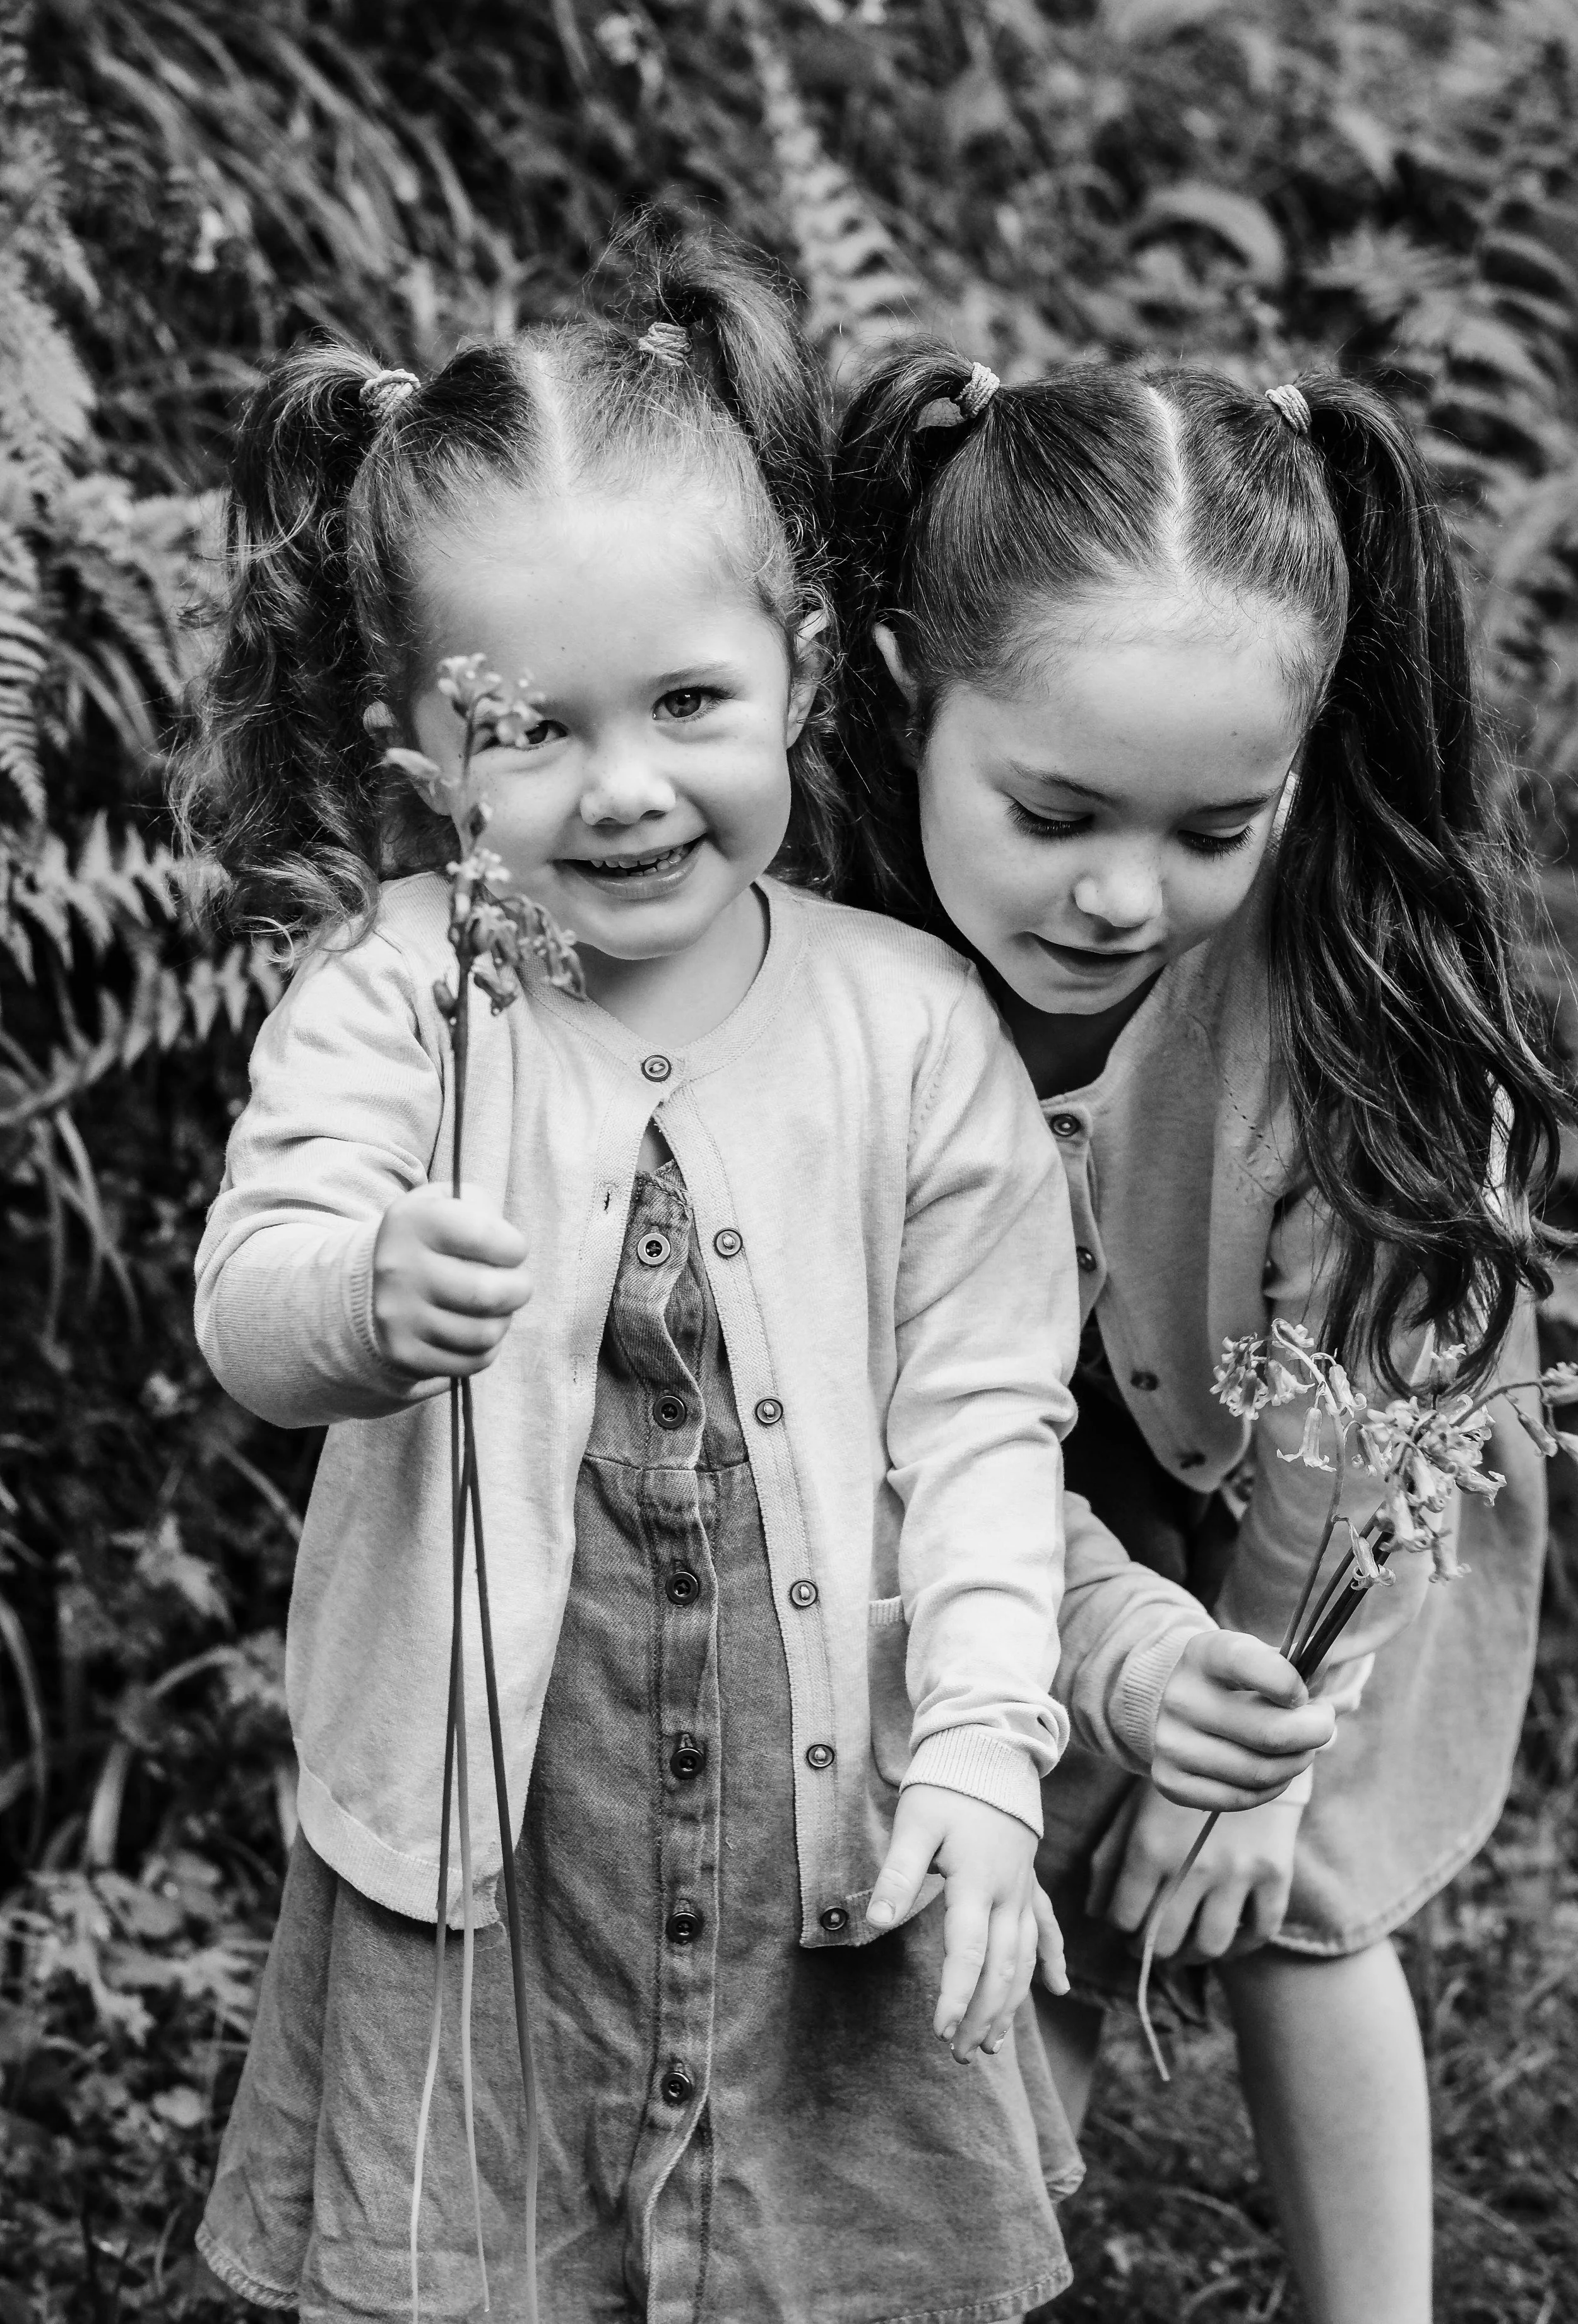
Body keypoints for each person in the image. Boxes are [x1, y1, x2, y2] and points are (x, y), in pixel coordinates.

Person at [175, 242, 1334, 2324]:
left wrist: (998, 1741)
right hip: (494, 1870)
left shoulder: (906, 1032)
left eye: (689, 703)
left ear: (804, 663)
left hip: (831, 1866)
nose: (624, 786)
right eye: (535, 730)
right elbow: (250, 1308)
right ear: (421, 747)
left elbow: (982, 1431)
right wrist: (359, 1289)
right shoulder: (398, 1002)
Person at [829, 352, 1563, 2324]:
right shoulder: (819, 940)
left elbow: (1359, 1433)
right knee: (1010, 1846)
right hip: (1013, 1449)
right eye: (1052, 808)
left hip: (1344, 1471)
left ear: (1295, 781)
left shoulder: (1351, 1014)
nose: (1115, 890)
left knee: (1294, 1906)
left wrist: (1250, 1748)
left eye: (1208, 827)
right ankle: (957, 2249)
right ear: (909, 689)